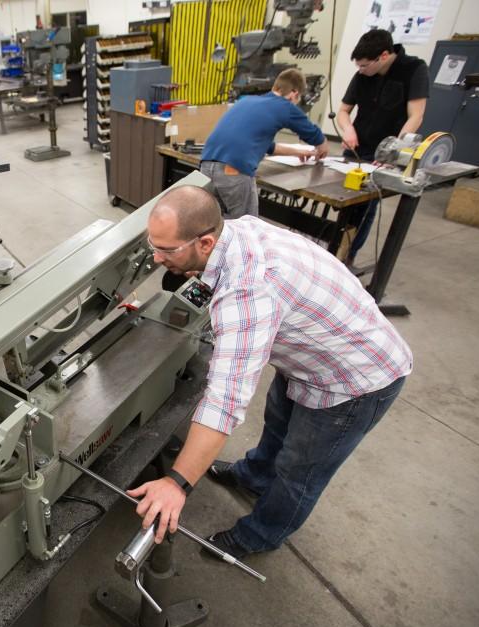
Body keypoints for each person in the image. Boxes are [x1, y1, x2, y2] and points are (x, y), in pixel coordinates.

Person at [127, 185, 412, 560]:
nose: (157, 257)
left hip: (355, 379)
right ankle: (255, 475)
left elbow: (224, 402)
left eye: (166, 250)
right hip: (309, 355)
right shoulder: (238, 231)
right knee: (278, 423)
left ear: (206, 242)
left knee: (300, 472)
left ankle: (260, 535)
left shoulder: (248, 291)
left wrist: (178, 483)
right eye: (154, 245)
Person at [336, 29, 429, 266]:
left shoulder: (413, 70)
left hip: (385, 155)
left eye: (365, 65)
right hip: (358, 150)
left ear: (384, 56)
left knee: (365, 206)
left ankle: (347, 257)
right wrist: (348, 130)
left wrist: (394, 153)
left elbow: (416, 116)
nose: (361, 70)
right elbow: (344, 111)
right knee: (343, 201)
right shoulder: (362, 75)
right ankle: (335, 249)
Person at [199, 68, 329, 219]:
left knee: (212, 222)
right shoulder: (284, 106)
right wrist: (322, 145)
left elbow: (268, 146)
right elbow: (314, 135)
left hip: (206, 167)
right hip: (233, 170)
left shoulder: (247, 101)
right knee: (245, 226)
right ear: (294, 93)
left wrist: (299, 152)